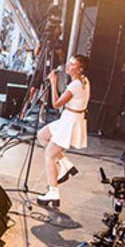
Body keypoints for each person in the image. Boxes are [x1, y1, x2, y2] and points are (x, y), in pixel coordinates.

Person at [35, 55, 90, 206]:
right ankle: (65, 164)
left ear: (80, 69)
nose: (68, 67)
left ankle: (54, 193)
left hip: (70, 121)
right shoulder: (84, 80)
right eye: (69, 63)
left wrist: (53, 82)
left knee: (49, 155)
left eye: (72, 65)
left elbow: (56, 104)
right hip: (69, 118)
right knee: (42, 135)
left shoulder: (75, 85)